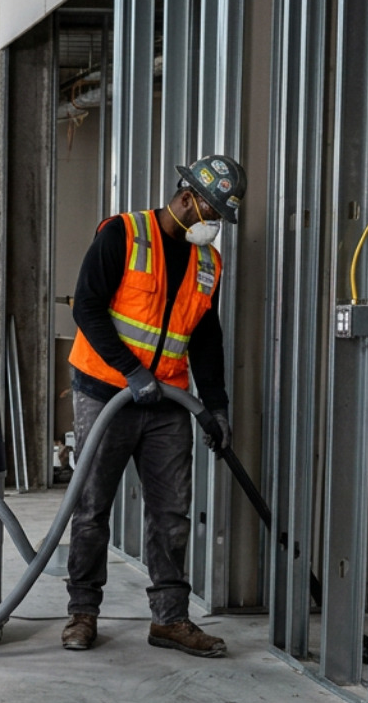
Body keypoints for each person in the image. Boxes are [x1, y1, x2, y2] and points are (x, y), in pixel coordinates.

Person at [62, 154, 245, 659]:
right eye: (210, 214)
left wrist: (217, 407)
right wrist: (130, 371)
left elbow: (207, 338)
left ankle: (169, 619)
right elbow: (86, 307)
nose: (212, 227)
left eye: (219, 221)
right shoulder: (123, 234)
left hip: (168, 400)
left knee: (171, 513)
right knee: (92, 508)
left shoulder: (208, 262)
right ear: (186, 199)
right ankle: (83, 612)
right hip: (106, 393)